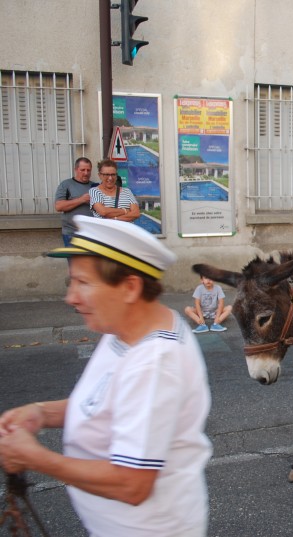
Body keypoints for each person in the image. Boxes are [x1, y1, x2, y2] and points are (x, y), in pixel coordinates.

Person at [0, 215, 212, 536]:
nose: (71, 297)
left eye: (83, 283)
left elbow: (132, 484)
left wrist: (34, 457)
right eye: (72, 282)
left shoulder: (154, 364)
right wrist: (41, 413)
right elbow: (99, 402)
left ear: (129, 287)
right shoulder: (124, 328)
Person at [54, 157, 97, 246]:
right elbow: (59, 206)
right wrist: (81, 200)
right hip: (72, 234)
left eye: (88, 170)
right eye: (83, 170)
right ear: (76, 170)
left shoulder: (95, 186)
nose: (86, 173)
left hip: (92, 234)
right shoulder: (66, 185)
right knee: (75, 260)